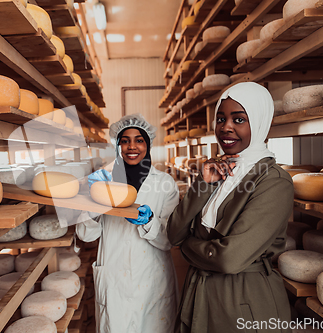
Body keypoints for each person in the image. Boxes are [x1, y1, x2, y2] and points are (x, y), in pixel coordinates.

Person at [167, 82, 293, 333]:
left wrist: (188, 247)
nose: (226, 127)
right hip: (200, 294)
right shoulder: (219, 170)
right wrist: (203, 184)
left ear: (258, 123)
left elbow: (229, 259)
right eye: (221, 119)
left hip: (243, 301)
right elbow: (174, 233)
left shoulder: (273, 181)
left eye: (239, 119)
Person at [76, 113, 180, 333]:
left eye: (139, 140)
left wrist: (149, 221)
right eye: (125, 141)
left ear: (148, 143)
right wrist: (94, 208)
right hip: (114, 278)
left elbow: (170, 239)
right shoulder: (102, 180)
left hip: (153, 277)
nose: (132, 146)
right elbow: (85, 235)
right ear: (118, 145)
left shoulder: (164, 183)